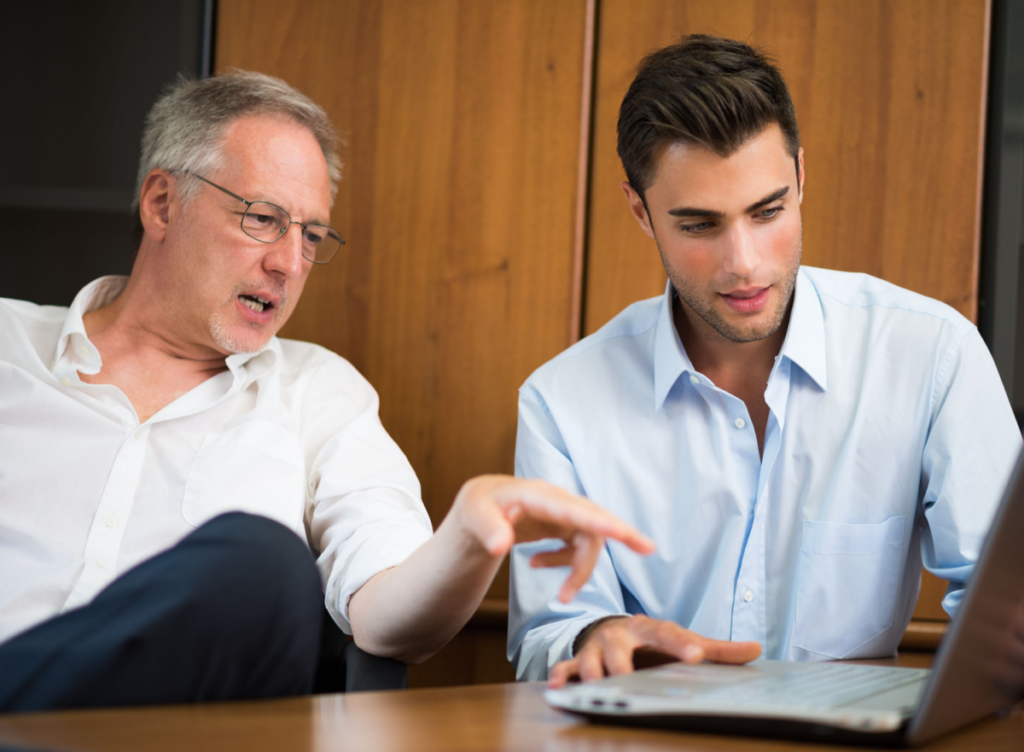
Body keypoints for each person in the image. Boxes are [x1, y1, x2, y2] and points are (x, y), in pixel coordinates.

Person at [0, 71, 655, 712]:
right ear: (163, 203)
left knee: (263, 565)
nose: (289, 263)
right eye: (263, 218)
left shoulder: (318, 393)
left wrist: (469, 536)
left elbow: (390, 618)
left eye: (310, 235)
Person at [508, 34, 1022, 686]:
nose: (744, 263)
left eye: (768, 211)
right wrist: (593, 638)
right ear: (641, 211)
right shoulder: (560, 402)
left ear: (800, 178)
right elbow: (545, 637)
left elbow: (1002, 601)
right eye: (700, 225)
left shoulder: (932, 355)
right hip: (656, 730)